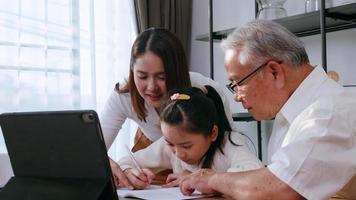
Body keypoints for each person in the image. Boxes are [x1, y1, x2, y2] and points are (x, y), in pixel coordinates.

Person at [179, 19, 356, 199]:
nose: (236, 96)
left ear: (274, 72)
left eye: (238, 83)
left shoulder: (327, 112)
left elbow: (280, 187)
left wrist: (212, 180)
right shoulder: (293, 112)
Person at [99, 27, 237, 189]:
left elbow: (230, 144)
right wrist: (127, 171)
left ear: (177, 72)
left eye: (162, 77)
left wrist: (203, 177)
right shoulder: (124, 96)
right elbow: (94, 149)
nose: (152, 87)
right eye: (142, 76)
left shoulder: (205, 93)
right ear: (132, 72)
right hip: (154, 154)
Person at [117, 86, 262, 189]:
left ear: (212, 134)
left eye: (186, 146)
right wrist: (129, 172)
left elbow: (255, 173)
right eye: (170, 144)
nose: (178, 153)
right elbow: (125, 162)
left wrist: (202, 179)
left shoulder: (230, 142)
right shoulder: (171, 145)